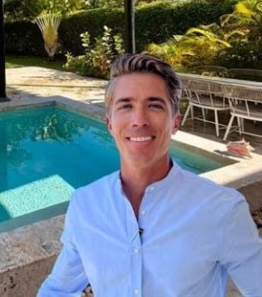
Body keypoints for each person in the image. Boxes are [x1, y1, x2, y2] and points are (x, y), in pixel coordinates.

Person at [38, 53, 262, 296]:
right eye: (126, 105)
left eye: (154, 105)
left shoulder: (222, 209)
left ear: (175, 122)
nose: (139, 120)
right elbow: (58, 289)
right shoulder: (86, 205)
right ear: (109, 123)